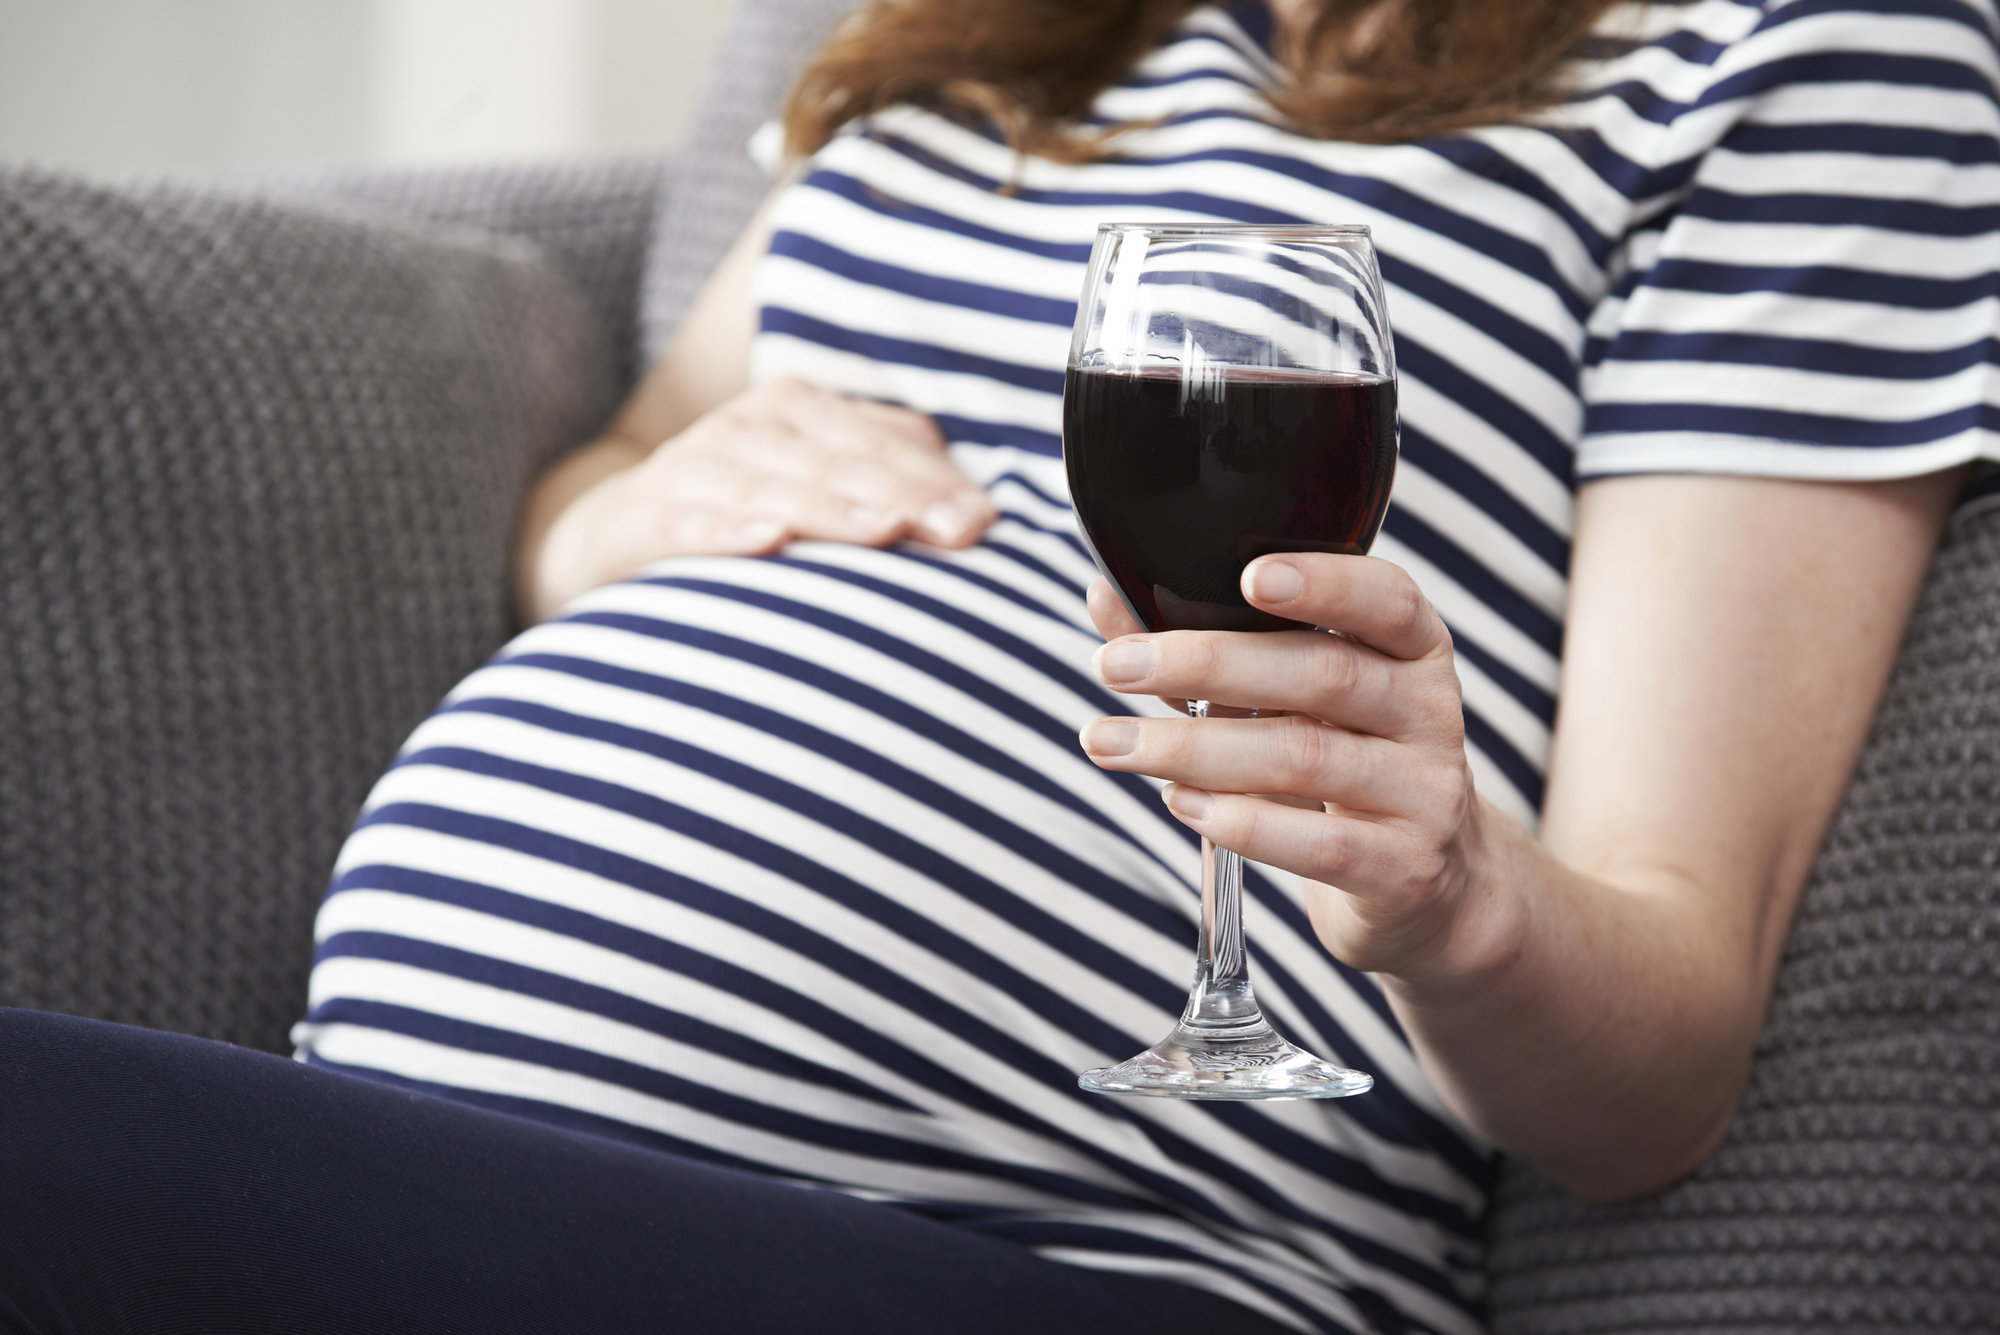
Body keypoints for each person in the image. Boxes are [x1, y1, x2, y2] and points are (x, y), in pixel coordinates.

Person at [4, 0, 1995, 1331]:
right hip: (449, 1138)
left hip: (1076, 1254)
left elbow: (1661, 1052)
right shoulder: (996, 33)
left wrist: (1457, 887)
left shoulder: (1800, 53)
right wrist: (598, 522)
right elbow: (631, 455)